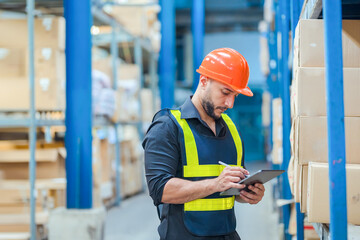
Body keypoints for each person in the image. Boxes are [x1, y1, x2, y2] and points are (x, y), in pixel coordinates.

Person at [142, 48, 265, 240]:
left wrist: (247, 193)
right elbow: (160, 189)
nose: (230, 103)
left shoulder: (231, 129)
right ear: (204, 81)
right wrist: (216, 183)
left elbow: (232, 187)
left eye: (235, 95)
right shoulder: (167, 127)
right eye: (225, 92)